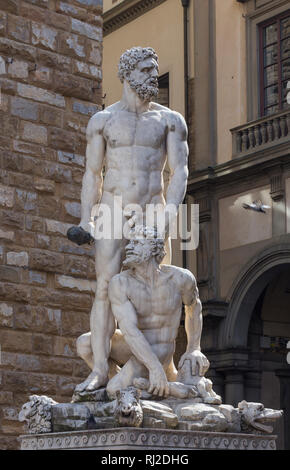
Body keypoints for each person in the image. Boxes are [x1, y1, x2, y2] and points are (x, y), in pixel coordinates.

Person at [73, 47, 189, 392]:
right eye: (145, 69)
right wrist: (86, 219)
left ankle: (160, 365)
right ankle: (99, 370)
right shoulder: (103, 120)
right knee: (106, 288)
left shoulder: (170, 120)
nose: (153, 75)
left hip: (154, 211)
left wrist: (170, 212)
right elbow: (92, 173)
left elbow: (179, 170)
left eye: (155, 69)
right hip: (112, 210)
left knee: (154, 287)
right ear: (126, 74)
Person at [77, 226, 209, 398]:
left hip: (160, 348)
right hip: (134, 343)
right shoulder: (120, 283)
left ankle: (142, 386)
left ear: (154, 249)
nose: (129, 247)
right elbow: (130, 331)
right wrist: (154, 368)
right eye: (130, 242)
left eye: (137, 243)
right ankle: (157, 386)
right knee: (84, 343)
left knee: (113, 390)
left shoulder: (181, 279)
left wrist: (193, 348)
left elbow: (194, 308)